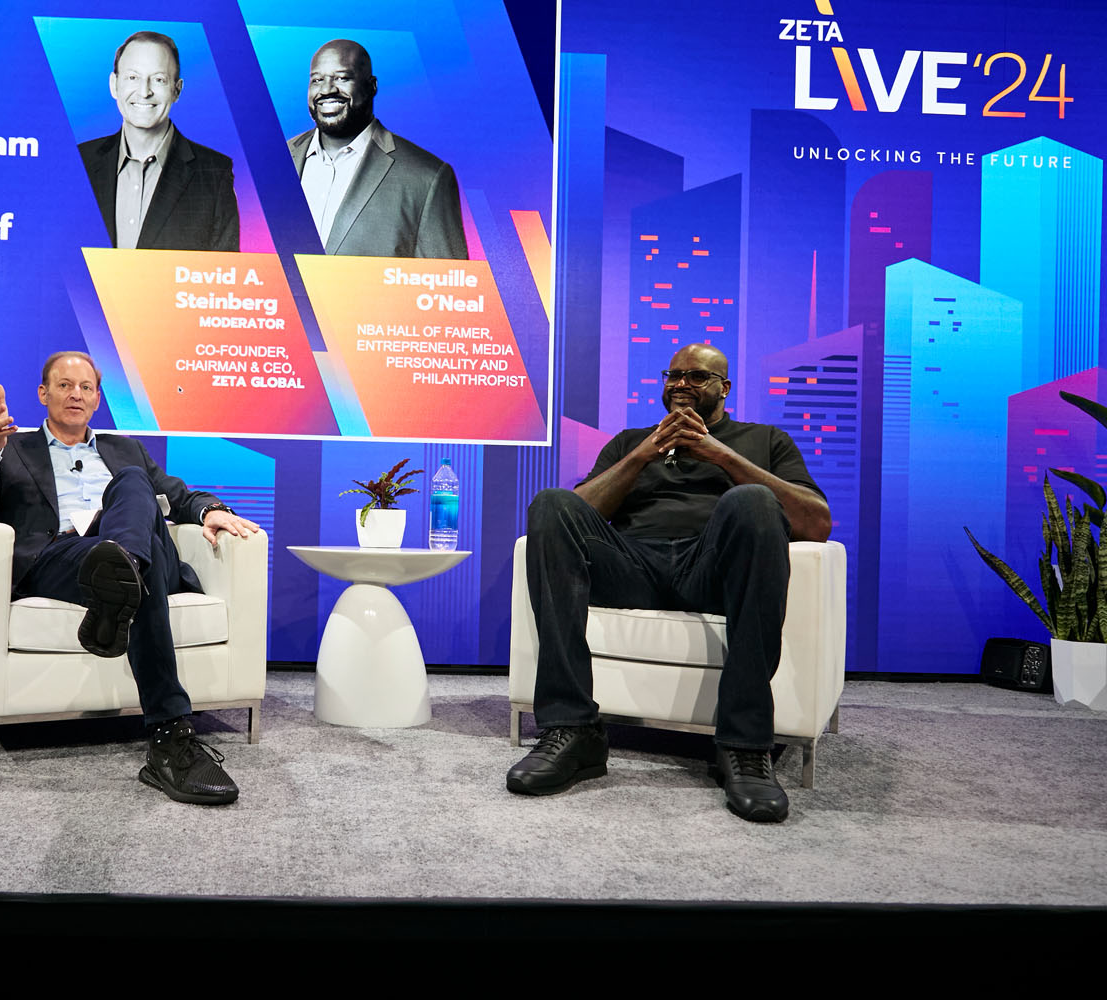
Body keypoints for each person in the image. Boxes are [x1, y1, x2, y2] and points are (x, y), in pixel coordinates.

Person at [507, 344, 831, 823]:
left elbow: (816, 523)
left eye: (697, 377)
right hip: (633, 566)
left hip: (710, 571)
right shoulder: (630, 442)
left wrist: (719, 455)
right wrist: (642, 455)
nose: (681, 384)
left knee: (754, 502)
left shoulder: (766, 439)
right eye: (673, 375)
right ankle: (572, 731)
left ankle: (744, 746)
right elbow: (580, 513)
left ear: (724, 389)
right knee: (552, 504)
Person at [0, 351, 260, 805]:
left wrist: (212, 511)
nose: (76, 394)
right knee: (143, 554)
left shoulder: (124, 450)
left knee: (134, 486)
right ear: (43, 393)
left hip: (119, 546)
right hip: (62, 556)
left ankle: (124, 569)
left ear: (97, 400)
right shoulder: (12, 450)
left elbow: (180, 494)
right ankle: (170, 739)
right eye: (64, 385)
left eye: (86, 388)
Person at [287, 39, 467, 259]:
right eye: (317, 80)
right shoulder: (277, 160)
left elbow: (444, 287)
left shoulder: (427, 178)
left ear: (372, 86)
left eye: (342, 78)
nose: (326, 89)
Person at [79, 31, 239, 251]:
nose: (144, 92)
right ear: (114, 85)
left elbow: (223, 274)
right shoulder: (78, 161)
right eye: (133, 77)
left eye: (159, 79)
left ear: (177, 90)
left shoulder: (214, 172)